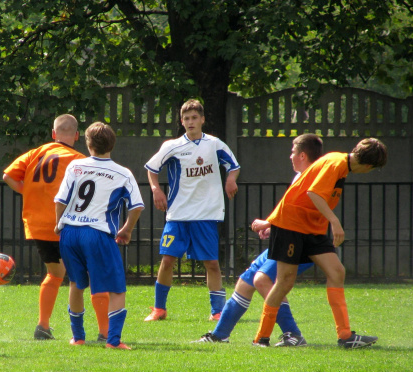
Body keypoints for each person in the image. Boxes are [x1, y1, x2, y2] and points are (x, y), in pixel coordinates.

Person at [251, 138, 388, 348]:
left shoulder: (341, 167)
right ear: (369, 166)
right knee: (284, 282)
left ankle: (345, 336)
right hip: (292, 224)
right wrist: (335, 222)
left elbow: (301, 188)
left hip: (312, 228)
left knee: (336, 271)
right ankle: (261, 339)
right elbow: (312, 193)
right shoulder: (336, 163)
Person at [195, 133, 323, 346]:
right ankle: (220, 335)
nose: (290, 156)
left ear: (302, 155)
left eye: (292, 152)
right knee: (245, 282)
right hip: (285, 240)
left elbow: (301, 216)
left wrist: (267, 223)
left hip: (300, 244)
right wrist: (273, 227)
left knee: (262, 280)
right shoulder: (301, 176)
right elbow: (291, 212)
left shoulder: (311, 178)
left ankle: (293, 334)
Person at [3, 114, 110, 341]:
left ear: (53, 134)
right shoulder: (78, 159)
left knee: (54, 273)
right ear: (77, 136)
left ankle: (42, 325)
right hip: (66, 225)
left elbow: (8, 175)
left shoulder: (36, 153)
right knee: (87, 276)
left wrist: (29, 192)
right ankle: (103, 332)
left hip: (37, 225)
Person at [143, 99, 240, 323]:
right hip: (178, 214)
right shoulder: (172, 146)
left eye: (194, 117)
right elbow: (152, 169)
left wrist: (230, 180)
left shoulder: (215, 144)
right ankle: (159, 309)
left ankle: (217, 311)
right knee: (167, 260)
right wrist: (156, 190)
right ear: (181, 121)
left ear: (202, 119)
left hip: (206, 215)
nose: (190, 122)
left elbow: (233, 166)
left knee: (212, 263)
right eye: (186, 118)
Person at [54, 122, 144, 349]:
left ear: (88, 143)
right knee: (116, 289)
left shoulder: (75, 166)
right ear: (112, 143)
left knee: (76, 283)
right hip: (97, 234)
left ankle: (78, 337)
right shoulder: (123, 173)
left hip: (70, 232)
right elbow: (137, 206)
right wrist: (126, 229)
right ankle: (113, 341)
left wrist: (59, 223)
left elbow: (60, 200)